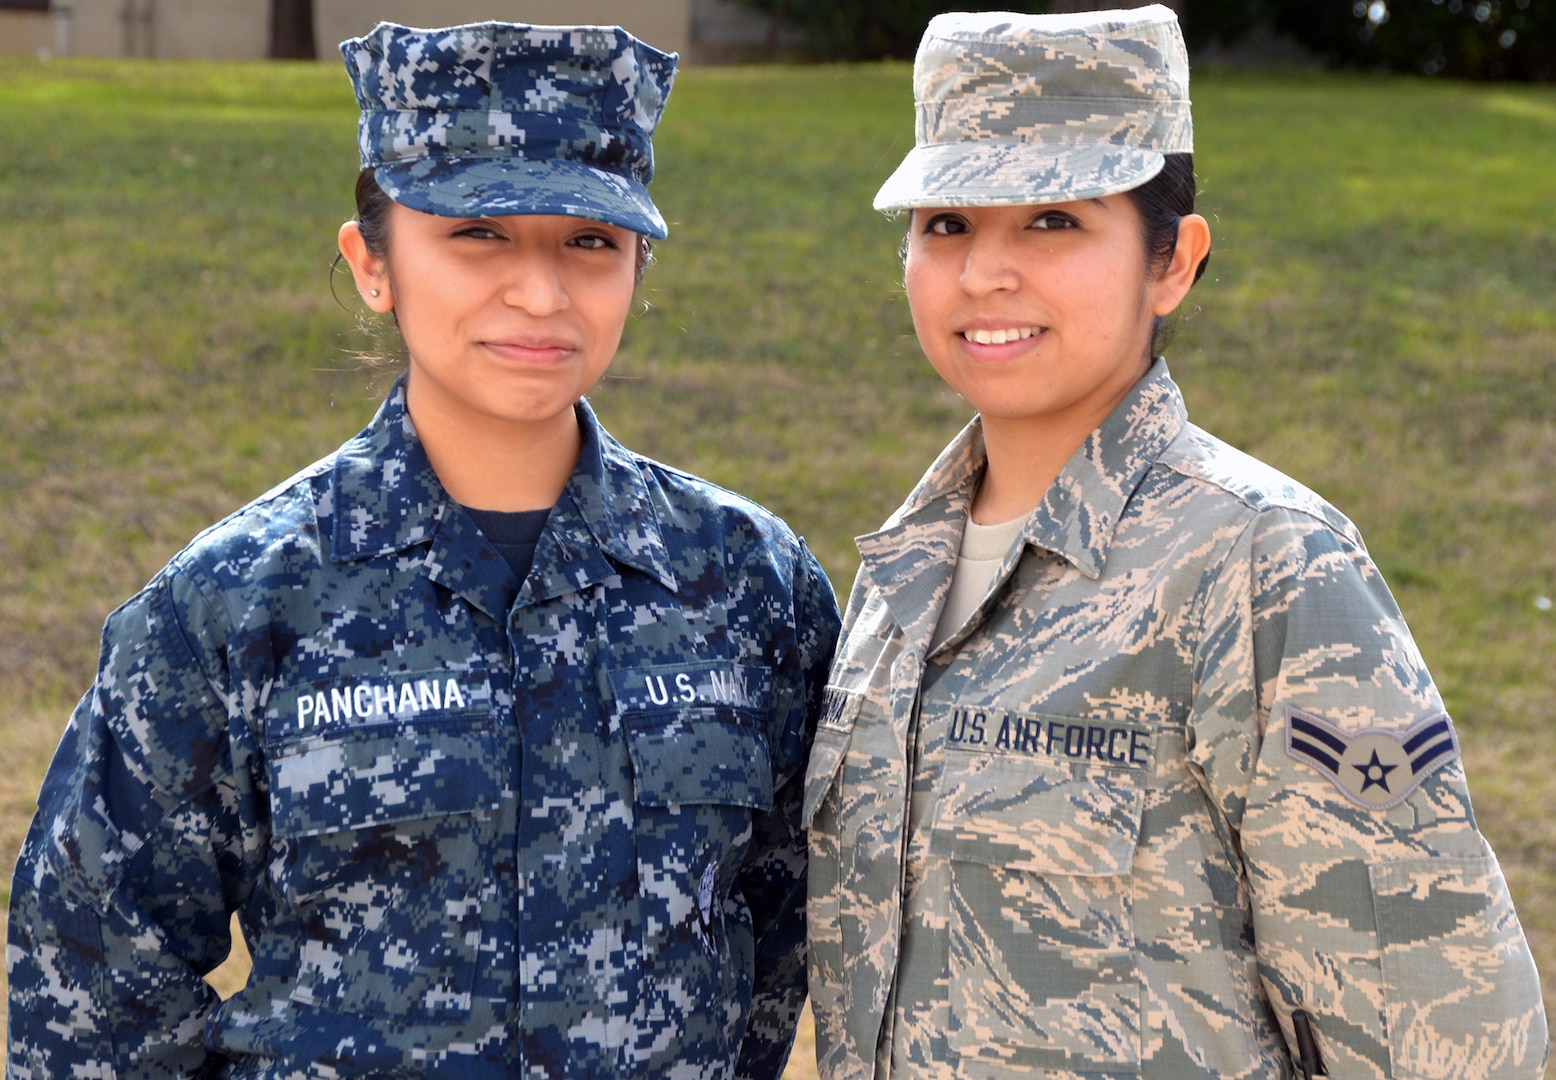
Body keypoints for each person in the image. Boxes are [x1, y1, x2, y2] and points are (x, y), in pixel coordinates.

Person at [7, 21, 840, 1078]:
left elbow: (781, 932)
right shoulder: (236, 604)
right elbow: (90, 984)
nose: (539, 294)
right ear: (373, 264)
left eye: (588, 242)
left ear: (638, 263)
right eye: (479, 234)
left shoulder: (747, 587)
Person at [802, 7, 1547, 1079]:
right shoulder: (900, 576)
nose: (983, 273)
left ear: (1171, 263)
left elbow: (1440, 1036)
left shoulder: (1263, 568)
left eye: (1052, 220)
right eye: (946, 223)